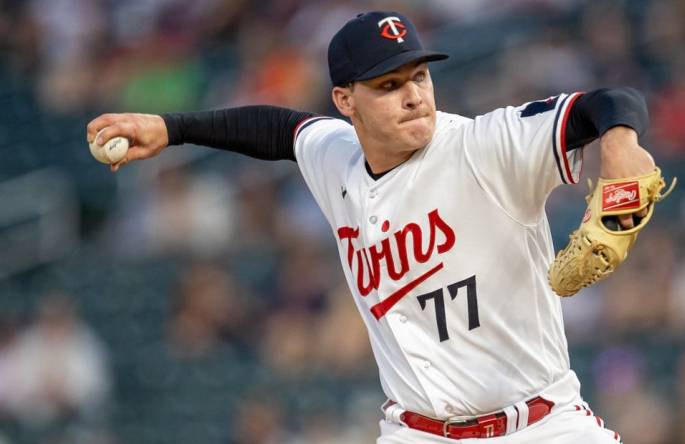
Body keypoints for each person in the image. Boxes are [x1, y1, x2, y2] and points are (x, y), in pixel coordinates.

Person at [87, 11, 656, 443]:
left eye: (419, 77)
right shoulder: (335, 154)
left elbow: (610, 100)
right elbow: (276, 129)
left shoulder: (485, 146)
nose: (413, 96)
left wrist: (622, 144)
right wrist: (171, 127)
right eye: (388, 85)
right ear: (344, 101)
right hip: (414, 431)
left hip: (539, 426)